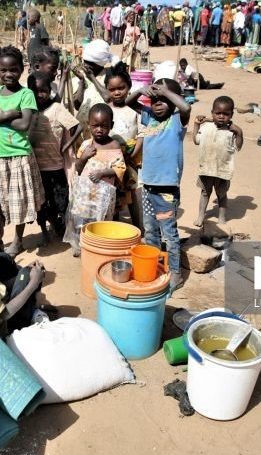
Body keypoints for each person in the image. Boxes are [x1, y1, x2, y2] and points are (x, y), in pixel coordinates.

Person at [126, 78, 191, 291]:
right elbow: (129, 102)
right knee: (151, 231)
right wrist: (141, 91)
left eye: (163, 100)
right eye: (154, 100)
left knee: (169, 233)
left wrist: (164, 91)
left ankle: (175, 273)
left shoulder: (176, 121)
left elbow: (186, 106)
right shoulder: (149, 117)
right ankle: (155, 266)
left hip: (166, 190)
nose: (158, 103)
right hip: (148, 186)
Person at [0, 46, 44, 255]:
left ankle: (17, 240)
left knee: (18, 203)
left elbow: (24, 124)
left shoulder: (26, 95)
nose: (8, 74)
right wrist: (6, 115)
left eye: (13, 70)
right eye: (3, 70)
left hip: (18, 157)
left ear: (22, 70)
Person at [64, 104, 126, 256]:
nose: (99, 129)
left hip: (103, 197)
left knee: (101, 221)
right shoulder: (86, 145)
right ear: (89, 125)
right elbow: (78, 168)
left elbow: (120, 168)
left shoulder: (114, 145)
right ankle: (81, 245)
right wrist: (84, 156)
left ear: (111, 125)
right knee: (82, 220)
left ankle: (99, 246)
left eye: (104, 126)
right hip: (85, 194)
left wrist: (103, 172)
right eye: (95, 126)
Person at [28, 71, 80, 244]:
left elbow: (77, 126)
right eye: (35, 90)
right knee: (41, 205)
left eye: (43, 90)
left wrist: (66, 145)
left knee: (62, 203)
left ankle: (66, 232)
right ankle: (45, 232)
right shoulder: (28, 110)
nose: (39, 94)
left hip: (56, 167)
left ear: (50, 90)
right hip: (35, 169)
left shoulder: (57, 109)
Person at [192, 96, 243, 227]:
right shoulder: (207, 127)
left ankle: (221, 217)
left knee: (221, 195)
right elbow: (196, 140)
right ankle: (201, 216)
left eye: (225, 114)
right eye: (218, 113)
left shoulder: (232, 131)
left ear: (231, 114)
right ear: (212, 113)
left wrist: (239, 133)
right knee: (204, 192)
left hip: (222, 169)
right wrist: (196, 125)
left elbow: (238, 146)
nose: (221, 116)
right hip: (206, 168)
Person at [104, 62, 142, 229]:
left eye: (121, 88)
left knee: (132, 194)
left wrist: (133, 154)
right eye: (112, 89)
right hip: (111, 161)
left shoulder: (135, 110)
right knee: (114, 194)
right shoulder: (105, 109)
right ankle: (116, 228)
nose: (117, 92)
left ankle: (138, 227)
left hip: (131, 158)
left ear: (129, 87)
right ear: (107, 89)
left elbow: (142, 134)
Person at [71, 39, 117, 134]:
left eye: (90, 63)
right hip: (82, 130)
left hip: (102, 131)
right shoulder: (79, 77)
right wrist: (82, 81)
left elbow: (108, 98)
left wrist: (92, 78)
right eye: (85, 62)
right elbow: (76, 105)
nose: (86, 65)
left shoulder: (110, 76)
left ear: (100, 64)